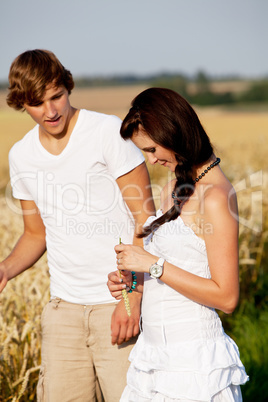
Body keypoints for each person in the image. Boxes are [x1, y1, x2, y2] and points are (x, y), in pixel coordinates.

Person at [0, 49, 155, 402]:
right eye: (38, 103)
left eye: (57, 96)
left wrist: (133, 297)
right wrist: (6, 269)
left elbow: (145, 219)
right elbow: (35, 234)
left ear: (68, 87)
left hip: (117, 302)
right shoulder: (21, 156)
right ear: (21, 102)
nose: (51, 111)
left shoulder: (107, 132)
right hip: (62, 312)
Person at [107, 87, 249, 401]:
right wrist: (132, 281)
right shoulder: (172, 188)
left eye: (153, 149)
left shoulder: (216, 197)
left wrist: (152, 266)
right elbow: (170, 270)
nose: (151, 160)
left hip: (193, 364)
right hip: (155, 356)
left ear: (176, 133)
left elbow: (226, 297)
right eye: (144, 151)